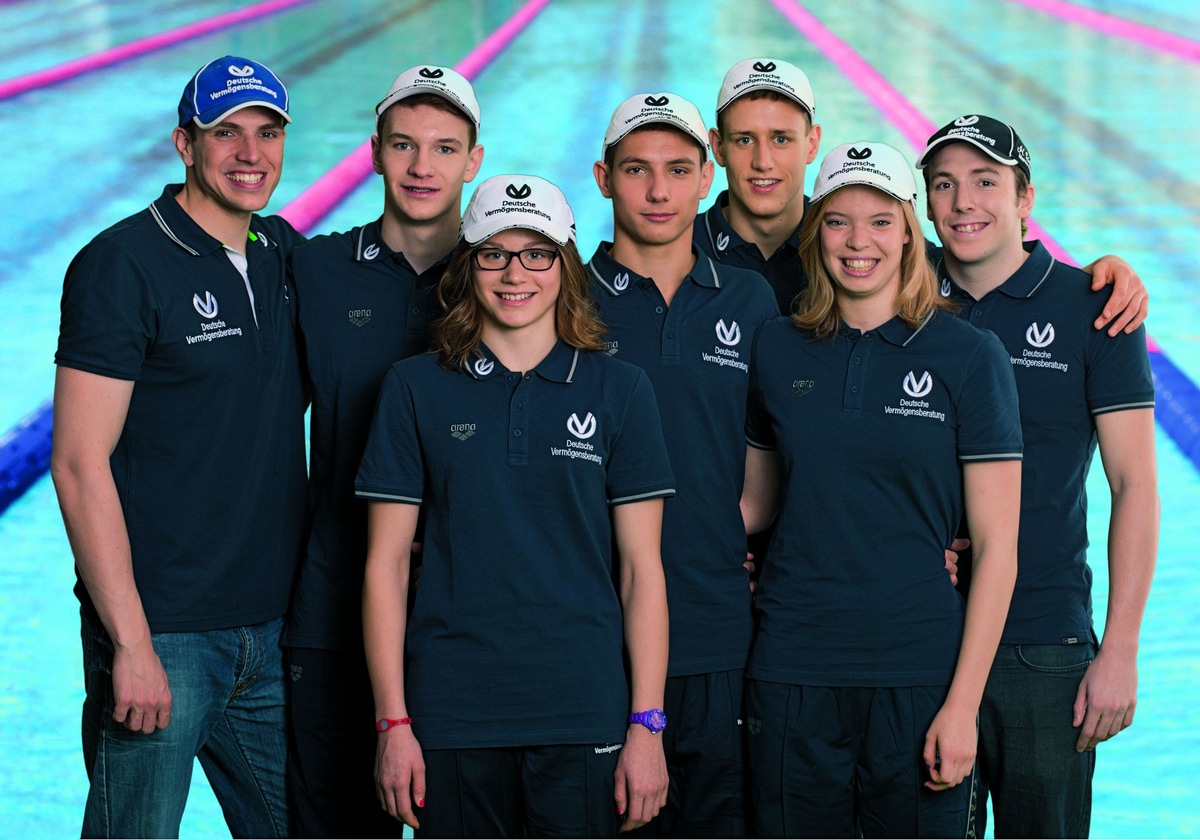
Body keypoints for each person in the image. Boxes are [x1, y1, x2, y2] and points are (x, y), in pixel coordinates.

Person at [357, 175, 673, 837]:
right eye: (494, 254)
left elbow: (642, 572)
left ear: (567, 266)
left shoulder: (622, 390)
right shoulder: (416, 389)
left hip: (582, 707)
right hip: (452, 712)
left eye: (538, 254)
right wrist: (393, 723)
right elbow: (385, 566)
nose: (515, 274)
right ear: (467, 266)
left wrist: (647, 725)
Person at [51, 56, 304, 838]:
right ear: (185, 144)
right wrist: (129, 641)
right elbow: (75, 461)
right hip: (163, 634)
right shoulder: (123, 264)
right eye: (225, 132)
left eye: (267, 133)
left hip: (269, 628)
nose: (249, 153)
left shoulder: (281, 255)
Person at [740, 142, 1023, 837]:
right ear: (817, 235)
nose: (858, 242)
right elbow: (754, 505)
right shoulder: (777, 346)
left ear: (908, 230)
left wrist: (962, 705)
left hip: (918, 671)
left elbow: (997, 548)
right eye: (837, 221)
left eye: (880, 221)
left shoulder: (967, 355)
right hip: (791, 666)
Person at [917, 115, 1158, 838]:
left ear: (1026, 199)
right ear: (924, 204)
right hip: (920, 637)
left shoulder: (1093, 307)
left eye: (986, 182)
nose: (964, 202)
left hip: (1042, 645)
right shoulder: (894, 291)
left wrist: (1118, 652)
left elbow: (1136, 487)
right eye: (945, 185)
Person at [282, 64, 484, 837]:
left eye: (443, 148)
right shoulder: (317, 269)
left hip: (468, 623)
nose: (422, 167)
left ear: (473, 160)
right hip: (332, 616)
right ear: (373, 153)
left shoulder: (510, 278)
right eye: (404, 145)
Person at [588, 92, 778, 837]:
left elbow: (787, 451)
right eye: (637, 170)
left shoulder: (751, 300)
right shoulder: (559, 298)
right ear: (603, 178)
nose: (658, 191)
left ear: (708, 178)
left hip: (720, 632)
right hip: (592, 633)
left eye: (677, 170)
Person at [695, 57, 1148, 330]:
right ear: (717, 147)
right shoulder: (681, 248)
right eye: (743, 139)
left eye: (781, 138)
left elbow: (986, 272)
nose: (763, 162)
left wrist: (1091, 280)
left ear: (812, 143)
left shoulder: (870, 252)